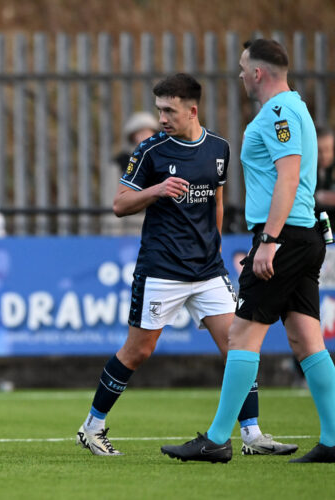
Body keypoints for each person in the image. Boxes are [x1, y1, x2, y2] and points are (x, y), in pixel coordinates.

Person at [76, 73, 295, 457]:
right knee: (138, 351)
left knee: (238, 347)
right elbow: (119, 205)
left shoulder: (219, 148)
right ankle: (92, 427)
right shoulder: (151, 151)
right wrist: (157, 190)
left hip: (208, 271)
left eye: (168, 110)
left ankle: (253, 434)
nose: (162, 117)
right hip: (162, 269)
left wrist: (216, 246)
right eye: (159, 108)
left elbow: (218, 201)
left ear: (192, 110)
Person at [162, 39, 335, 464]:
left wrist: (270, 241)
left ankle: (218, 439)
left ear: (258, 72)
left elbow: (288, 177)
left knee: (241, 335)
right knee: (305, 339)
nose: (239, 74)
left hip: (285, 238)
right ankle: (333, 440)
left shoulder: (279, 112)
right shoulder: (292, 109)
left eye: (243, 67)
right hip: (301, 234)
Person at [102, 112, 160, 234]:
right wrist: (114, 235)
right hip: (130, 229)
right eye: (142, 133)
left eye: (150, 132)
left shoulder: (162, 161)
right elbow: (112, 201)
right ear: (133, 136)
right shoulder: (119, 164)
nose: (147, 137)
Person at [314, 125, 335, 217]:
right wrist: (316, 197)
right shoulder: (308, 170)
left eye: (327, 149)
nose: (324, 156)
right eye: (319, 151)